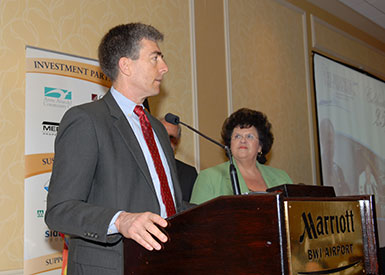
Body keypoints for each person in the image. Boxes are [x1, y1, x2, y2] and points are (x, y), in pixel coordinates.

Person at [45, 23, 189, 275]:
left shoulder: (156, 128)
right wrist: (121, 220)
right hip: (112, 267)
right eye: (155, 58)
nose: (164, 68)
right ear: (126, 65)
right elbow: (60, 210)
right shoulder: (86, 120)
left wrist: (223, 212)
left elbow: (170, 207)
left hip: (167, 264)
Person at [190, 108, 293, 204]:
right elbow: (196, 221)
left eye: (249, 136)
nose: (243, 140)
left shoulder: (282, 178)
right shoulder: (209, 178)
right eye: (237, 136)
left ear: (260, 147)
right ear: (230, 144)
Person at [160, 116, 198, 201]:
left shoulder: (189, 174)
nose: (166, 142)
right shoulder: (141, 168)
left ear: (177, 142)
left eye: (171, 138)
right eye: (162, 136)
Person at [319, 118, 350, 195]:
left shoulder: (338, 170)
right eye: (328, 142)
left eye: (332, 142)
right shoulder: (319, 167)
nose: (331, 147)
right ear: (322, 141)